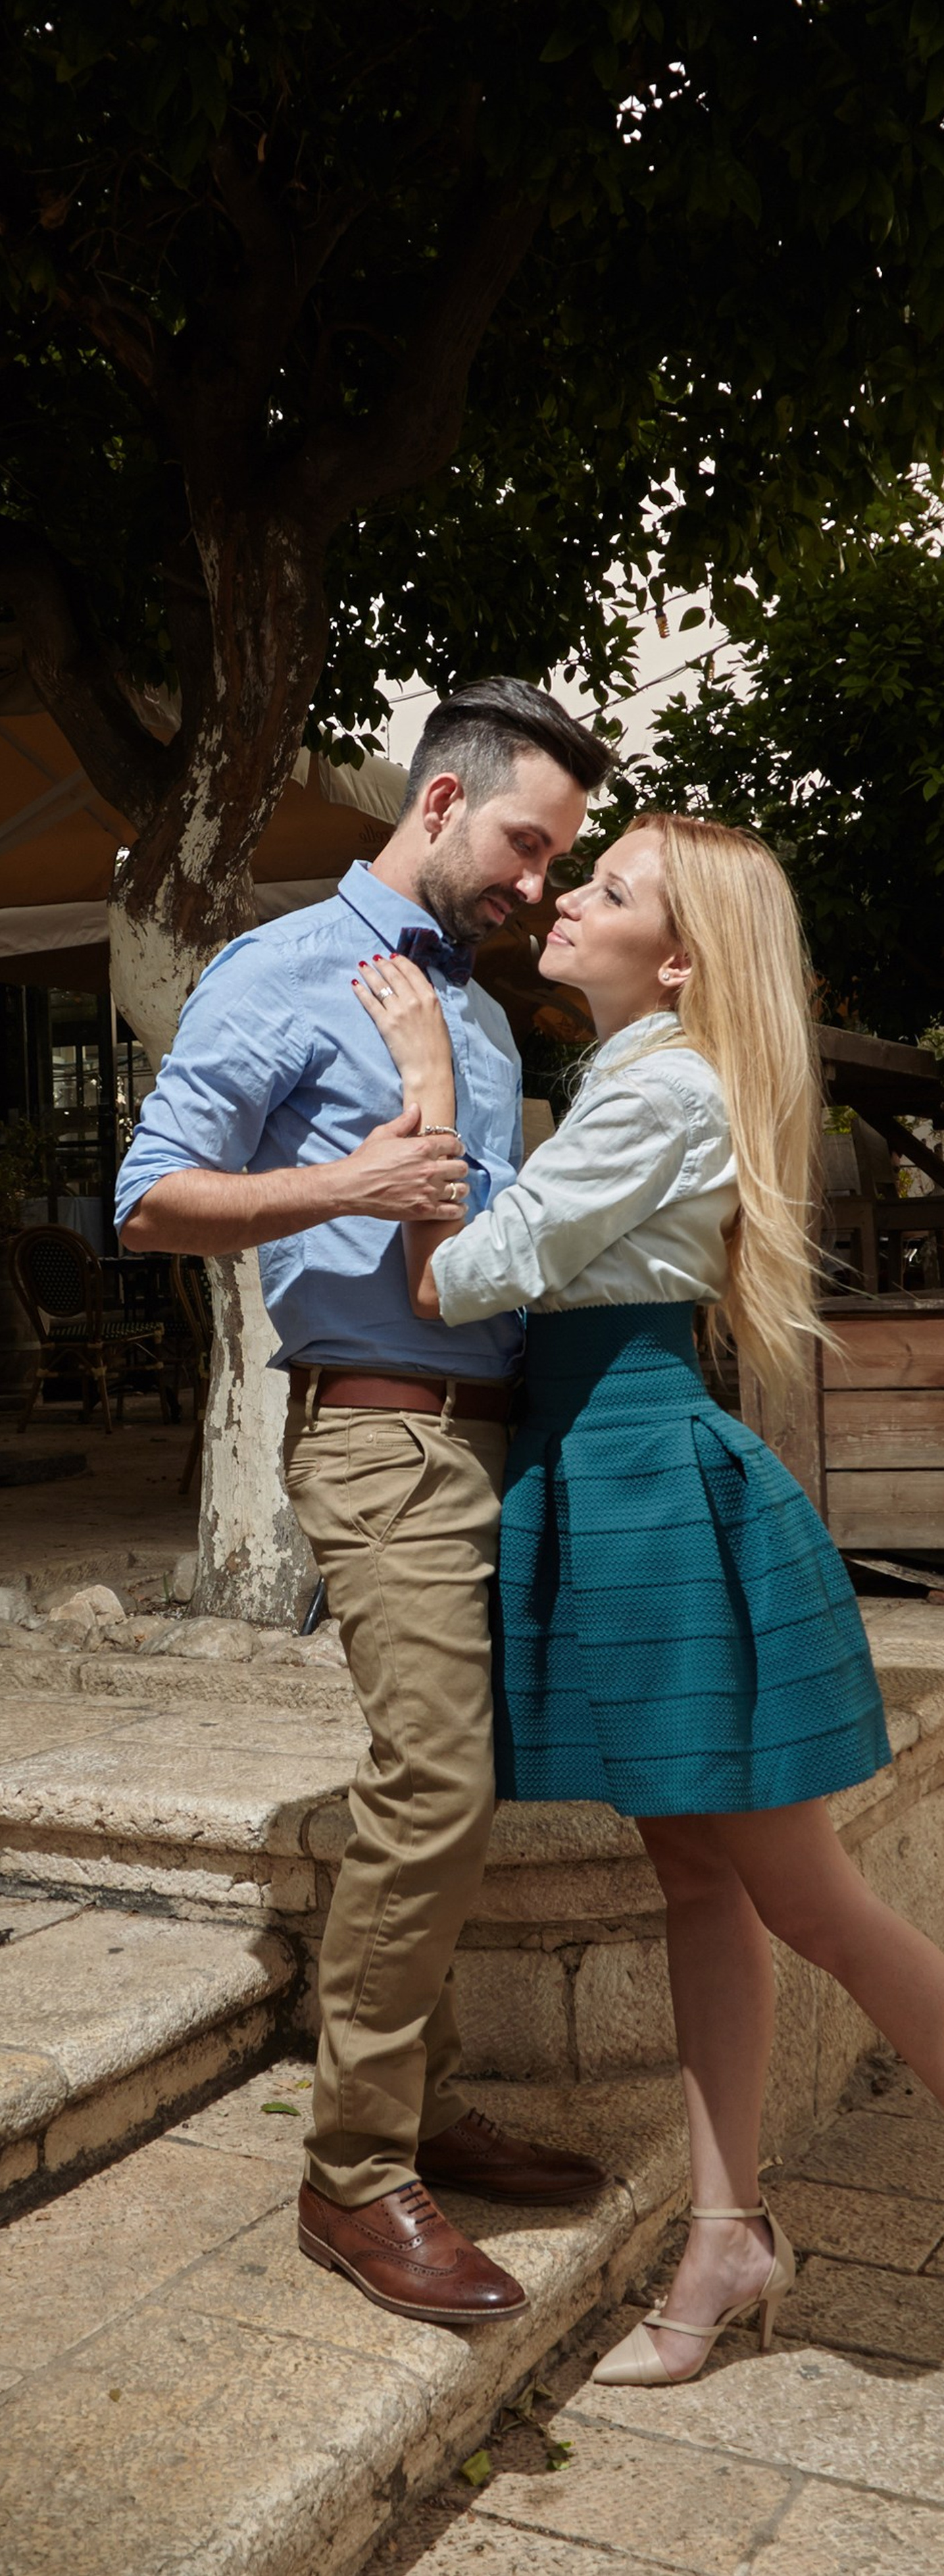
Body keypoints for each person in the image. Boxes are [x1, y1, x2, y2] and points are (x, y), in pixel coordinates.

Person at [354, 808, 944, 2384]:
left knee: (805, 1897)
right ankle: (724, 2230)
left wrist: (419, 1074)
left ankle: (731, 2230)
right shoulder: (621, 1079)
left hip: (642, 1486)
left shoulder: (662, 1086)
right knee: (700, 1884)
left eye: (604, 891)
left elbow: (458, 1274)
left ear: (676, 960)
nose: (562, 901)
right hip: (604, 1478)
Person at [116, 679, 618, 2323]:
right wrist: (346, 1182)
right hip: (380, 1436)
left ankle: (416, 2097)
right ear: (437, 804)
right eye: (525, 847)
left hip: (492, 1426)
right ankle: (353, 2178)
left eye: (556, 862)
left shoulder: (465, 1001)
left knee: (459, 1786)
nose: (536, 885)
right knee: (433, 1784)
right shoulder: (284, 970)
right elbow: (147, 1201)